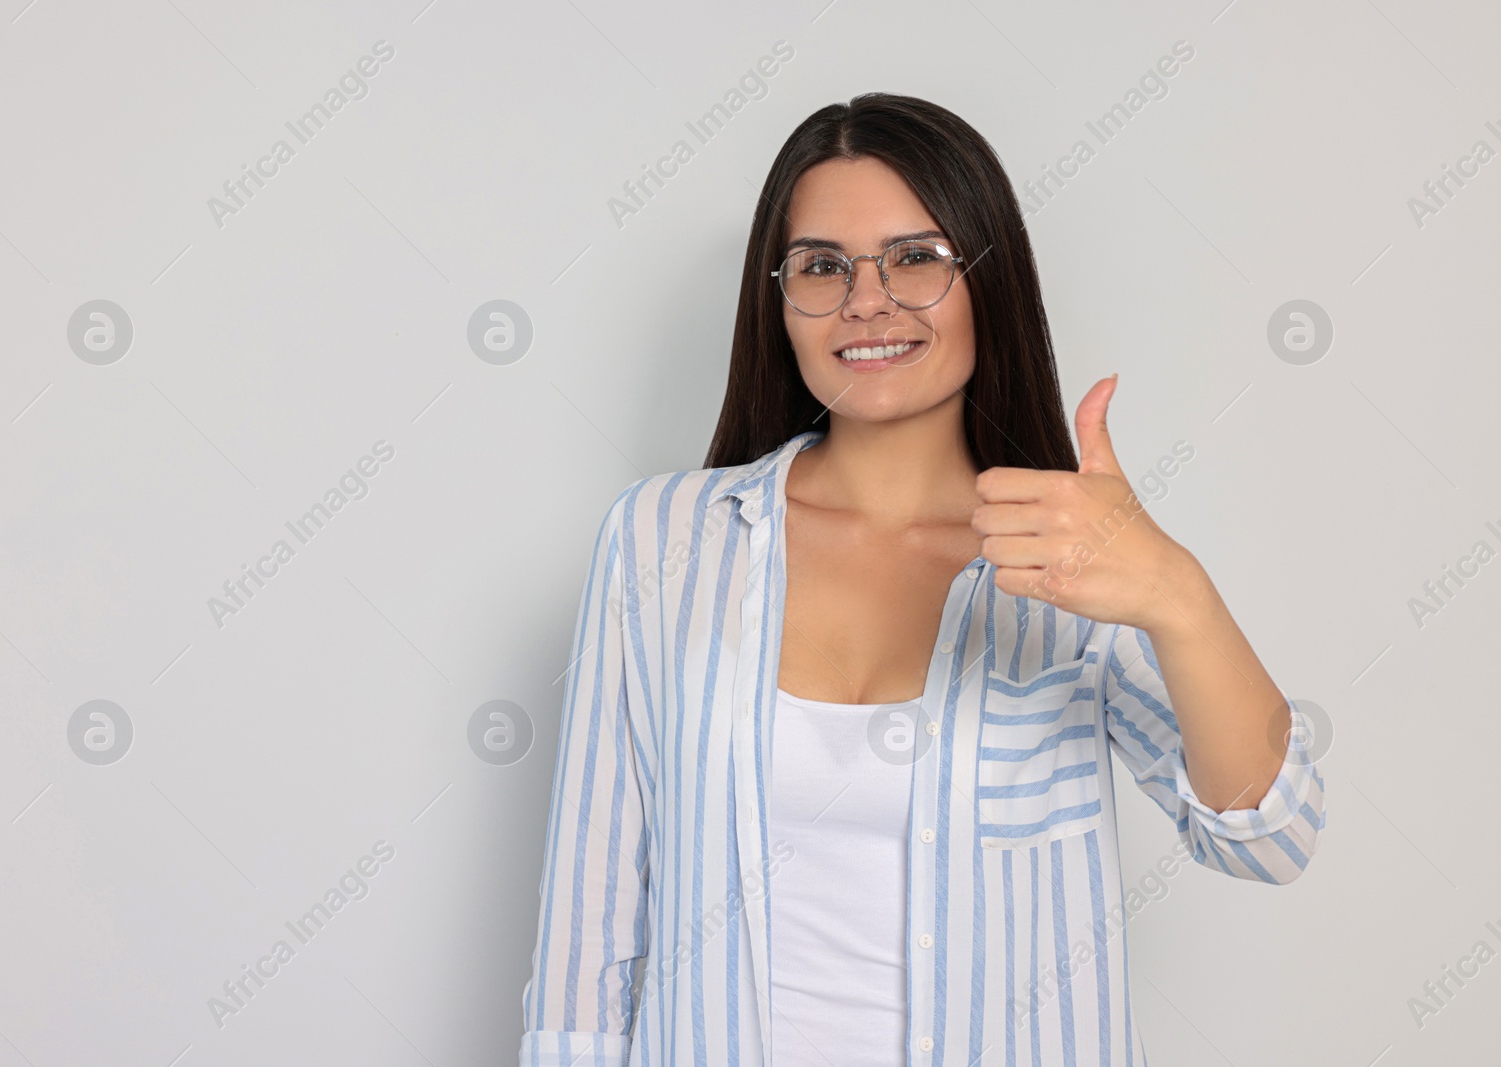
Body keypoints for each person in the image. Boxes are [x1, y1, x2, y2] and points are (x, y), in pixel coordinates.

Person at [518, 91, 1325, 1067]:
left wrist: (1176, 594)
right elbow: (590, 934)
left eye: (915, 257)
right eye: (821, 266)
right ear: (777, 302)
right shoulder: (663, 537)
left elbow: (1267, 838)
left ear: (988, 278)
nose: (867, 299)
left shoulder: (1070, 551)